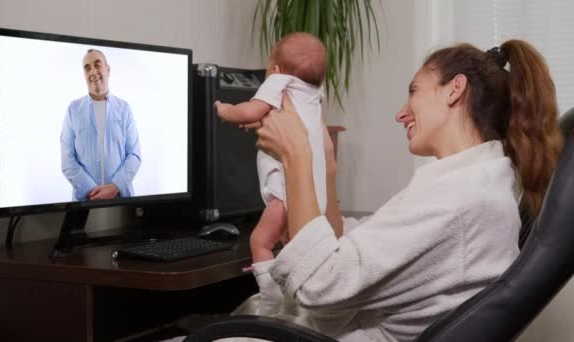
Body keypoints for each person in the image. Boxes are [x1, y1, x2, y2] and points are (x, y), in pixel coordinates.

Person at [233, 39, 563, 341]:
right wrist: (328, 165)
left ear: (454, 90)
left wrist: (296, 155)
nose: (401, 113)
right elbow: (362, 252)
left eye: (414, 91)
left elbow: (320, 285)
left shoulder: (460, 196)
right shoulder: (474, 183)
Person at [215, 32, 328, 261]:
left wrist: (225, 110)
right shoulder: (314, 94)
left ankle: (268, 294)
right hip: (312, 198)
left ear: (275, 69)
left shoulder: (279, 81)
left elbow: (249, 110)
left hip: (285, 197)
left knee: (260, 243)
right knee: (291, 247)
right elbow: (289, 120)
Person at [60, 49, 142, 201]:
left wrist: (114, 187)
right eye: (87, 68)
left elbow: (134, 155)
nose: (93, 71)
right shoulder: (73, 110)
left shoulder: (124, 109)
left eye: (97, 65)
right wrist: (93, 192)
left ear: (108, 69)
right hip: (85, 201)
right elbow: (67, 159)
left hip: (121, 199)